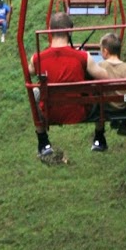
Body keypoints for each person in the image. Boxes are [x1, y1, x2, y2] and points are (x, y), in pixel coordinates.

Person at [29, 10, 103, 157]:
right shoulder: (83, 56)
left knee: (34, 92)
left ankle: (43, 140)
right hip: (80, 113)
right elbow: (104, 77)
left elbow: (30, 71)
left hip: (50, 114)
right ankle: (99, 136)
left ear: (50, 31)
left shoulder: (37, 58)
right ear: (69, 31)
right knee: (98, 87)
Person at [87, 31, 126, 152]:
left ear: (105, 51)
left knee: (98, 100)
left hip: (107, 105)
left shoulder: (101, 65)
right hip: (125, 104)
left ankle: (101, 133)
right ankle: (123, 119)